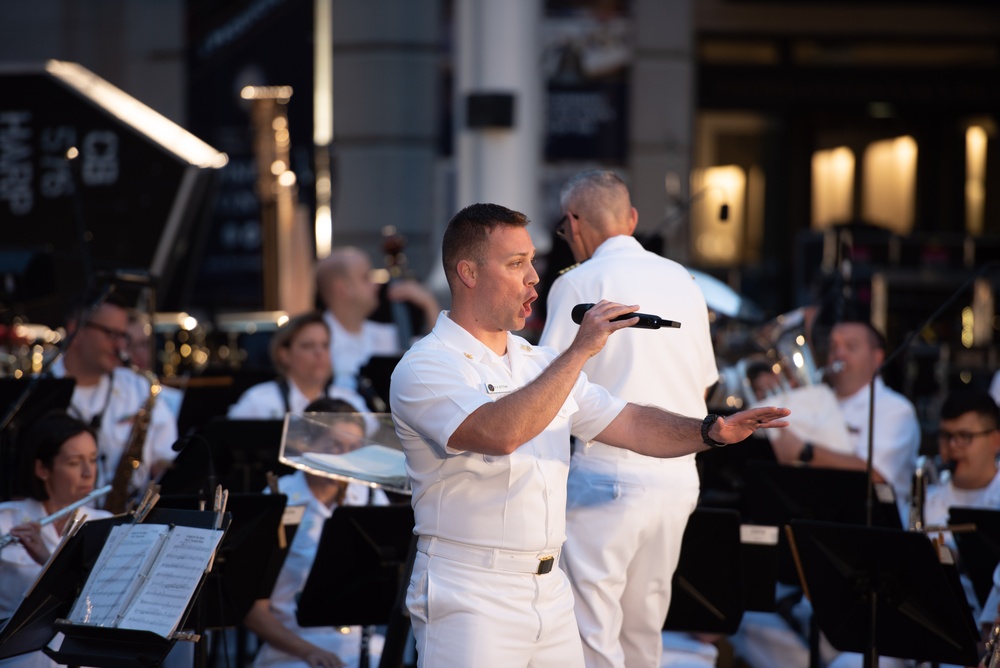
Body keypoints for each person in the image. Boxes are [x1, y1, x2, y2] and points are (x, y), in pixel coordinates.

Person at [388, 202, 789, 667]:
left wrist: (711, 431)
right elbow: (501, 433)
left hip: (550, 589)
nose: (534, 277)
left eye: (532, 260)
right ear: (468, 273)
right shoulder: (426, 365)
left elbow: (631, 422)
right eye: (516, 263)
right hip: (471, 591)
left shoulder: (536, 361)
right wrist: (581, 349)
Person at [537, 170, 719, 668]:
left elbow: (546, 389)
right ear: (632, 218)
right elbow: (705, 385)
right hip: (680, 477)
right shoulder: (685, 280)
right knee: (645, 634)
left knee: (591, 636)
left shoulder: (577, 282)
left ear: (573, 223)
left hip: (607, 476)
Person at [244, 398, 389, 668]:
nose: (344, 457)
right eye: (335, 446)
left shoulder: (369, 495)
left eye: (353, 448)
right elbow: (252, 609)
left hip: (361, 646)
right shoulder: (279, 498)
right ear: (308, 445)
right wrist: (308, 652)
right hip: (291, 650)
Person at [766, 319, 920, 515]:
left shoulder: (895, 409)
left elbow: (876, 475)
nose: (838, 354)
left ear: (877, 357)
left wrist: (805, 452)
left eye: (851, 346)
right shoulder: (815, 399)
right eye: (833, 347)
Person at [0, 412, 113, 668]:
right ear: (42, 469)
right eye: (74, 462)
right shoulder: (5, 521)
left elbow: (103, 601)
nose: (88, 473)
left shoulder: (105, 524)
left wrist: (47, 556)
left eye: (93, 460)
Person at [49, 291, 178, 496]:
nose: (120, 346)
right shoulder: (37, 393)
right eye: (111, 335)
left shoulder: (140, 388)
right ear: (75, 331)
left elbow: (166, 460)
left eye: (123, 336)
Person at [315, 247, 440, 391]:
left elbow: (432, 356)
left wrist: (428, 303)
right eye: (365, 277)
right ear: (342, 288)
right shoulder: (317, 341)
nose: (375, 285)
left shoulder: (384, 335)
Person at [227, 312, 369, 420]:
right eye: (308, 346)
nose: (319, 353)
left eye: (325, 345)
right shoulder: (258, 402)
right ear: (284, 354)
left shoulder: (350, 402)